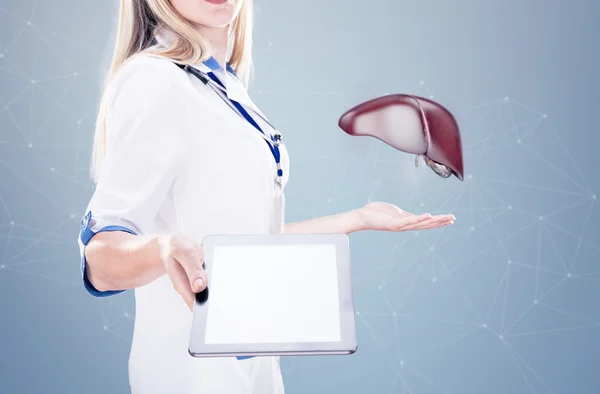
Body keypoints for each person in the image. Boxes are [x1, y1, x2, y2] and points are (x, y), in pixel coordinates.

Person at [78, 0, 456, 393]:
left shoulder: (225, 85)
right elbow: (100, 262)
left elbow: (247, 242)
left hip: (252, 371)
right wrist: (162, 249)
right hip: (189, 378)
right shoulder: (154, 79)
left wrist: (358, 218)